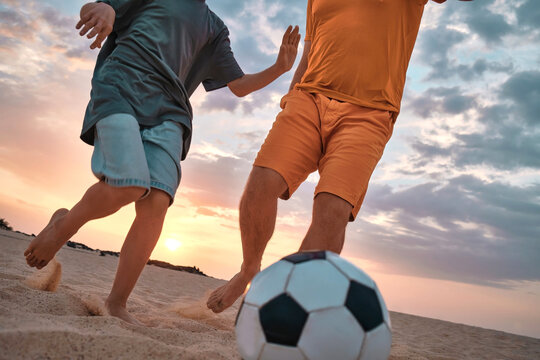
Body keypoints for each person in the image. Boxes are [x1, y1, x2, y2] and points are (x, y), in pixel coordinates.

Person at [23, 0, 300, 325]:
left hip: (171, 112)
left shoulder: (215, 28)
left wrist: (280, 68)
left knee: (156, 201)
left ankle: (117, 302)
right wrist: (103, 11)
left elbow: (237, 86)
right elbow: (97, 8)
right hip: (122, 88)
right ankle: (62, 228)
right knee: (129, 182)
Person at [207, 0, 471, 313]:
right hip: (308, 99)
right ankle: (249, 270)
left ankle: (284, 304)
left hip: (369, 113)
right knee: (261, 184)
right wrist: (291, 96)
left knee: (332, 209)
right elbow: (310, 51)